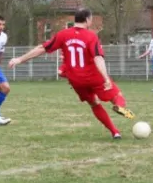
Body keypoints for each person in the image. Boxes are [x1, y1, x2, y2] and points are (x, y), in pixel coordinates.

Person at [9, 8, 134, 139]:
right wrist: (105, 77)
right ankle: (119, 106)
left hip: (76, 80)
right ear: (87, 20)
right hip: (93, 76)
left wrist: (19, 59)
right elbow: (98, 58)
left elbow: (42, 48)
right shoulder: (91, 36)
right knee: (117, 95)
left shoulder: (63, 34)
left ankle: (115, 132)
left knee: (94, 103)